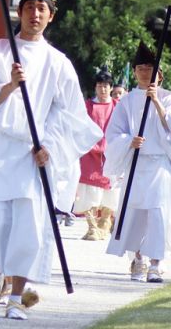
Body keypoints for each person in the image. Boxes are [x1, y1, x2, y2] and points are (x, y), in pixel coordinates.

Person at [0, 0, 103, 320]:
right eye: (30, 7)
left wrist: (49, 145)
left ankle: (17, 295)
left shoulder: (58, 63)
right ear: (19, 12)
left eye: (42, 9)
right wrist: (7, 86)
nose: (35, 14)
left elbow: (70, 114)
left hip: (31, 154)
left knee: (28, 225)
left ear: (51, 16)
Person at [104, 42, 171, 284]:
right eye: (140, 68)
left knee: (159, 214)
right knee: (134, 213)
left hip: (160, 164)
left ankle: (156, 263)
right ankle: (138, 259)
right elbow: (114, 133)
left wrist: (157, 103)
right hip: (136, 163)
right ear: (134, 72)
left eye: (149, 68)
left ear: (159, 73)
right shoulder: (127, 101)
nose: (144, 72)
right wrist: (128, 141)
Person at [73, 67, 119, 241]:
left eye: (106, 85)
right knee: (88, 191)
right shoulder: (87, 106)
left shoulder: (118, 106)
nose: (103, 89)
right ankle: (92, 226)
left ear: (111, 87)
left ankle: (105, 223)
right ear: (95, 87)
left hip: (112, 154)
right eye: (99, 85)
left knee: (111, 190)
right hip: (89, 153)